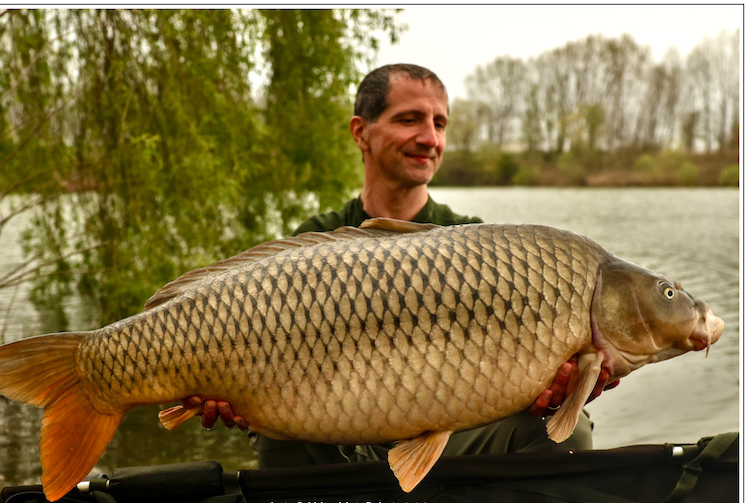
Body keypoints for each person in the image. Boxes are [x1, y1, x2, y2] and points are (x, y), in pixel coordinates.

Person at [184, 64, 618, 466]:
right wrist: (226, 388)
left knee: (567, 433)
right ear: (361, 132)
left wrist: (561, 388)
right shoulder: (310, 244)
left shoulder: (480, 247)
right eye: (409, 119)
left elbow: (510, 373)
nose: (430, 138)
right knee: (277, 439)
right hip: (334, 437)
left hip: (450, 436)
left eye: (440, 123)